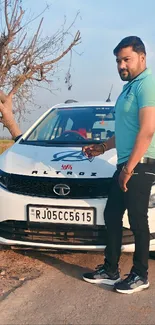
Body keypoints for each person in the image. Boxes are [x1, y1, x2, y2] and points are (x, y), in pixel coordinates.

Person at [82, 36, 155, 294]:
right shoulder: (129, 88)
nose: (121, 65)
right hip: (127, 162)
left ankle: (140, 275)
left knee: (137, 220)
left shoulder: (147, 84)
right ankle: (111, 269)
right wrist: (102, 147)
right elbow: (124, 131)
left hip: (142, 163)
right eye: (118, 61)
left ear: (142, 58)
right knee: (112, 215)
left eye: (127, 59)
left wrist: (128, 169)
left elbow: (147, 130)